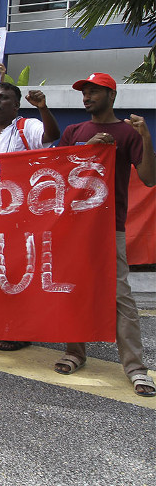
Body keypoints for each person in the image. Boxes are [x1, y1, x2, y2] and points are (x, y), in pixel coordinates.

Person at [52, 73, 155, 397]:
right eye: (85, 91)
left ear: (112, 95)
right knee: (75, 290)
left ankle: (136, 369)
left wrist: (146, 137)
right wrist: (86, 150)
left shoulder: (127, 133)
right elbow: (55, 173)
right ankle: (74, 352)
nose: (87, 97)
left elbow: (150, 178)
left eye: (94, 91)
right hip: (76, 226)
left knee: (120, 296)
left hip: (111, 227)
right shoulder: (73, 133)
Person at [0, 82, 61, 351]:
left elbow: (51, 135)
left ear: (16, 105)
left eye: (4, 98)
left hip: (20, 218)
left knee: (16, 273)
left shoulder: (28, 126)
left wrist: (43, 108)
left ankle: (17, 330)